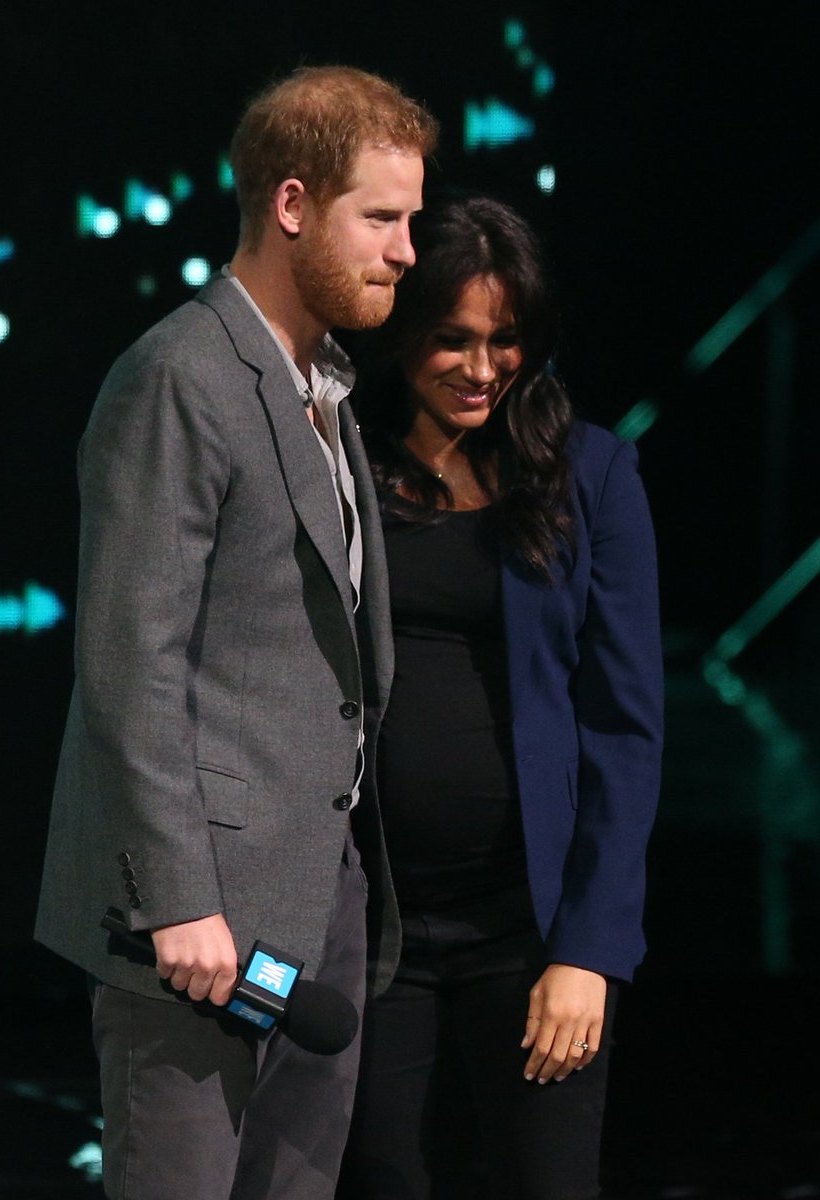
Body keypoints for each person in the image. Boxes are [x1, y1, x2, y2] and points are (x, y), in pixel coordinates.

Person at [35, 66, 438, 1200]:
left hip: (322, 883)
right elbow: (128, 659)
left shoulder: (321, 380)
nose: (407, 249)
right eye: (382, 218)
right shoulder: (179, 376)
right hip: (199, 916)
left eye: (410, 219)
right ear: (293, 204)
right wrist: (178, 898)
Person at [335, 195, 663, 1200]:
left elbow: (623, 726)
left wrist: (590, 952)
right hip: (366, 926)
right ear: (400, 333)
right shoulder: (338, 460)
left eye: (505, 340)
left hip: (527, 930)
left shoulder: (589, 473)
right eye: (451, 339)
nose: (481, 369)